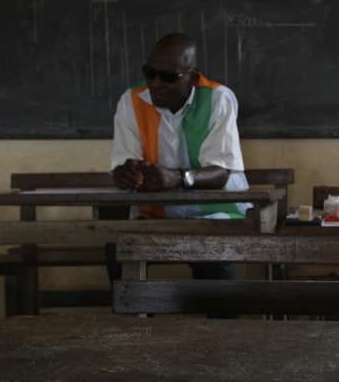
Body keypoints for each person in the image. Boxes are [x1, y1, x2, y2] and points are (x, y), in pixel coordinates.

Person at [106, 32, 249, 282]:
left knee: (211, 254)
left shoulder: (218, 99)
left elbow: (222, 170)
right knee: (117, 249)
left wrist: (178, 178)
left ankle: (223, 320)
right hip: (155, 214)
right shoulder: (131, 102)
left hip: (214, 212)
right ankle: (136, 321)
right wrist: (126, 174)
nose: (156, 83)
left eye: (169, 77)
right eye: (150, 73)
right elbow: (123, 162)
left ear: (193, 78)